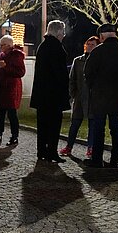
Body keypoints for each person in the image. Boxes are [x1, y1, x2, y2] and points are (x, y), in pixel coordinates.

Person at [83, 24, 118, 168]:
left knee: (99, 127)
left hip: (100, 95)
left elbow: (88, 72)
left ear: (102, 36)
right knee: (115, 127)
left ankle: (97, 159)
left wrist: (94, 87)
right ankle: (115, 158)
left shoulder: (98, 51)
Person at [30, 20, 69, 163]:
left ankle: (41, 151)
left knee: (42, 125)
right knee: (53, 125)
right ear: (58, 32)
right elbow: (60, 73)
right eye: (63, 32)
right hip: (53, 95)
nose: (64, 35)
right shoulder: (56, 47)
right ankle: (52, 152)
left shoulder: (43, 46)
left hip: (42, 94)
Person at [59, 36, 99, 158]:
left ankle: (91, 148)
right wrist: (73, 94)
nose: (90, 46)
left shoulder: (99, 60)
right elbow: (72, 79)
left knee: (93, 124)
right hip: (80, 97)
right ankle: (69, 146)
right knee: (75, 123)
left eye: (93, 45)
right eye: (88, 44)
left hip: (93, 98)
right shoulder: (78, 61)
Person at [0, 35, 25, 146]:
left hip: (10, 89)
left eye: (2, 45)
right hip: (1, 88)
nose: (1, 47)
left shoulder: (16, 55)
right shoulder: (3, 55)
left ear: (9, 45)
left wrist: (5, 67)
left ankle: (14, 136)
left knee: (11, 114)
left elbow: (20, 72)